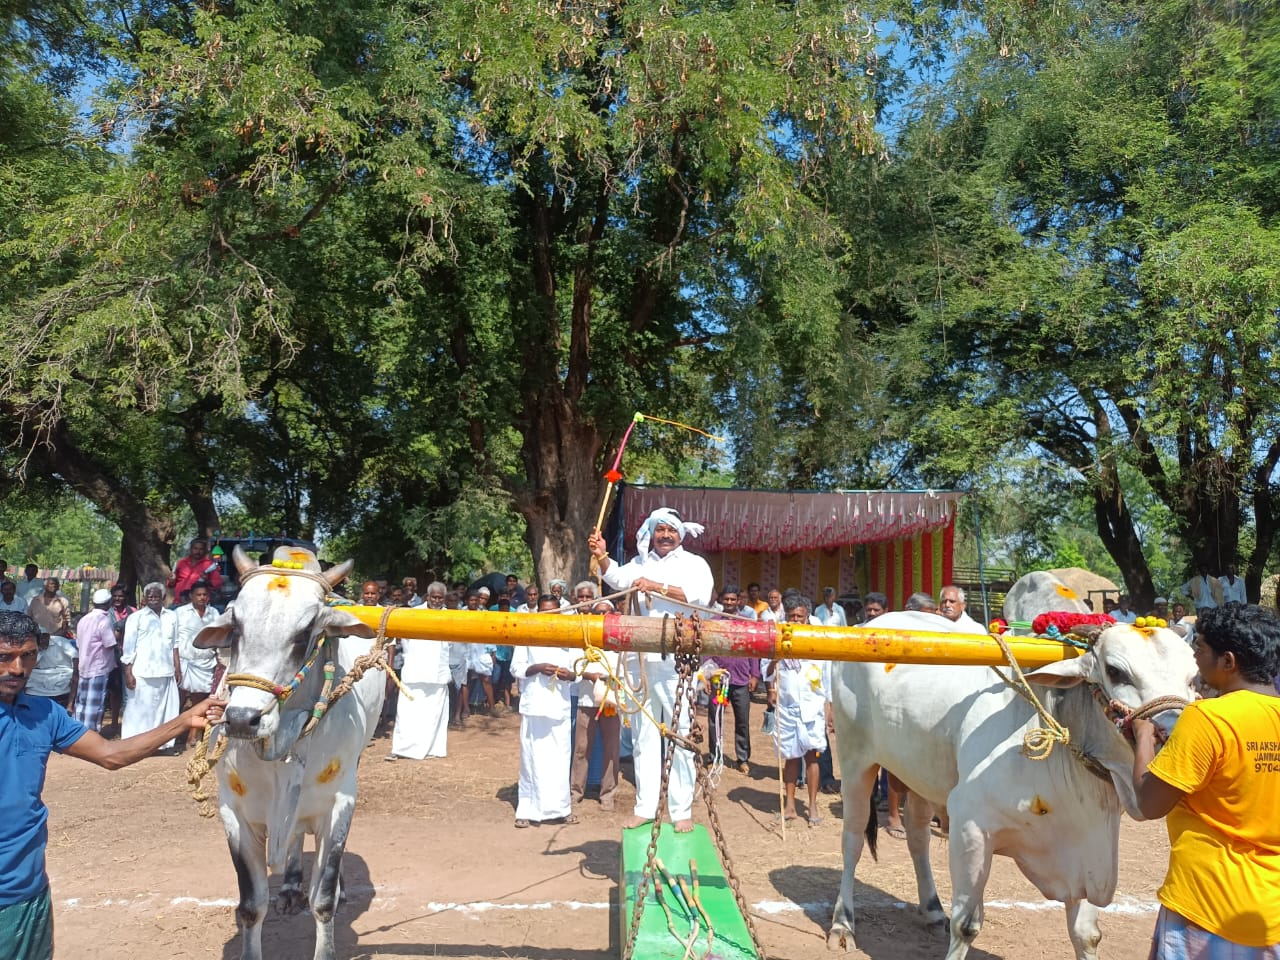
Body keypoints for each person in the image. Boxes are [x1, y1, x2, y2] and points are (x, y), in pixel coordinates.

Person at [0, 609, 224, 959]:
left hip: (30, 892)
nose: (17, 668)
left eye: (27, 655)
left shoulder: (44, 713)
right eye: (5, 657)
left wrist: (182, 722)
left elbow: (110, 754)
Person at [1132, 603, 1280, 958]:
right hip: (1269, 911)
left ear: (1228, 662)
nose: (1195, 658)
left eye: (1199, 649)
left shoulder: (1207, 718)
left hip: (1206, 905)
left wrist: (1142, 737)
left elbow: (1147, 802)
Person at [588, 506, 714, 833]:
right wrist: (602, 556)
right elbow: (615, 576)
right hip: (640, 661)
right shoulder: (640, 562)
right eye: (660, 530)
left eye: (671, 530)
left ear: (680, 533)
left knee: (680, 734)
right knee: (644, 736)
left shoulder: (693, 564)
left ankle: (681, 808)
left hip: (677, 662)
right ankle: (645, 806)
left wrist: (655, 586)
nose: (666, 536)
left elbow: (698, 597)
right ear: (651, 533)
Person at [510, 595, 580, 827]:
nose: (549, 615)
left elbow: (577, 671)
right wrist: (538, 668)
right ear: (537, 612)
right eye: (544, 611)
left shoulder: (568, 636)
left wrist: (567, 675)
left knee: (560, 759)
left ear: (559, 612)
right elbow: (516, 668)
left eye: (553, 611)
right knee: (531, 759)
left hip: (559, 706)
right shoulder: (527, 635)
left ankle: (561, 809)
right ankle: (527, 811)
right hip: (534, 706)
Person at [767, 595, 833, 826]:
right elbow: (767, 672)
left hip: (813, 709)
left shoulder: (818, 640)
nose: (795, 620)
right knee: (791, 757)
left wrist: (830, 707)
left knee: (813, 758)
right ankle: (790, 805)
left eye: (800, 616)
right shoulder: (778, 638)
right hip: (787, 709)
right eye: (791, 616)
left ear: (808, 618)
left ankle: (813, 805)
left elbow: (827, 676)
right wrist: (776, 659)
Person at [387, 581, 453, 761]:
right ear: (428, 596)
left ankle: (432, 749)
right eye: (434, 597)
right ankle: (403, 749)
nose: (437, 601)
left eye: (440, 598)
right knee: (408, 714)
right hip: (414, 671)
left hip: (437, 674)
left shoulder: (453, 617)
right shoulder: (414, 614)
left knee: (433, 715)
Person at [701, 585, 761, 774]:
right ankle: (714, 756)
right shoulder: (713, 622)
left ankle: (742, 758)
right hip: (719, 681)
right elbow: (706, 652)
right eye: (726, 599)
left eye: (732, 599)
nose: (729, 603)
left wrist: (754, 674)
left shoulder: (746, 623)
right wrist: (707, 677)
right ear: (721, 601)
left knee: (742, 720)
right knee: (715, 720)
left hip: (742, 681)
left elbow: (753, 650)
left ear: (738, 601)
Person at [571, 599, 622, 811]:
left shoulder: (619, 642)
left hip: (610, 701)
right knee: (582, 748)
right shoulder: (583, 639)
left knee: (611, 748)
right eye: (597, 613)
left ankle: (608, 794)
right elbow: (572, 667)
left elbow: (628, 670)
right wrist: (590, 675)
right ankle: (575, 792)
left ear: (612, 614)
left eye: (605, 613)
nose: (601, 617)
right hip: (586, 701)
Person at [120, 582, 181, 751]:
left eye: (156, 596)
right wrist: (128, 672)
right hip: (142, 672)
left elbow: (175, 644)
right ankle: (135, 745)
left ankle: (161, 745)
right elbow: (128, 648)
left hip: (166, 671)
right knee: (139, 710)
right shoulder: (136, 618)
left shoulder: (172, 616)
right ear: (145, 599)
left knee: (164, 711)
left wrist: (177, 667)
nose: (153, 599)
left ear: (162, 598)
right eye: (149, 597)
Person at [175, 583, 221, 750]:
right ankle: (172, 734)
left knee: (199, 700)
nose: (201, 597)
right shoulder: (180, 613)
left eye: (204, 595)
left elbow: (217, 636)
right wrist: (176, 665)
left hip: (206, 662)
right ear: (191, 596)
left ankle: (192, 735)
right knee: (178, 699)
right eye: (198, 595)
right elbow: (173, 640)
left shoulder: (214, 613)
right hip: (185, 661)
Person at [71, 589, 117, 732]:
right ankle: (91, 734)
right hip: (99, 667)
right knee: (94, 703)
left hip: (84, 665)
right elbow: (109, 643)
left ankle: (78, 732)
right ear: (109, 603)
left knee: (82, 702)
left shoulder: (83, 620)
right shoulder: (103, 620)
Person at [168, 538, 223, 605]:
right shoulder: (181, 563)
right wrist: (171, 581)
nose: (198, 551)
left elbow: (218, 584)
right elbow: (170, 584)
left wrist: (207, 581)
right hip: (179, 602)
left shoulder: (210, 565)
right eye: (195, 548)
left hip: (200, 605)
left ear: (205, 551)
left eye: (201, 549)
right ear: (191, 549)